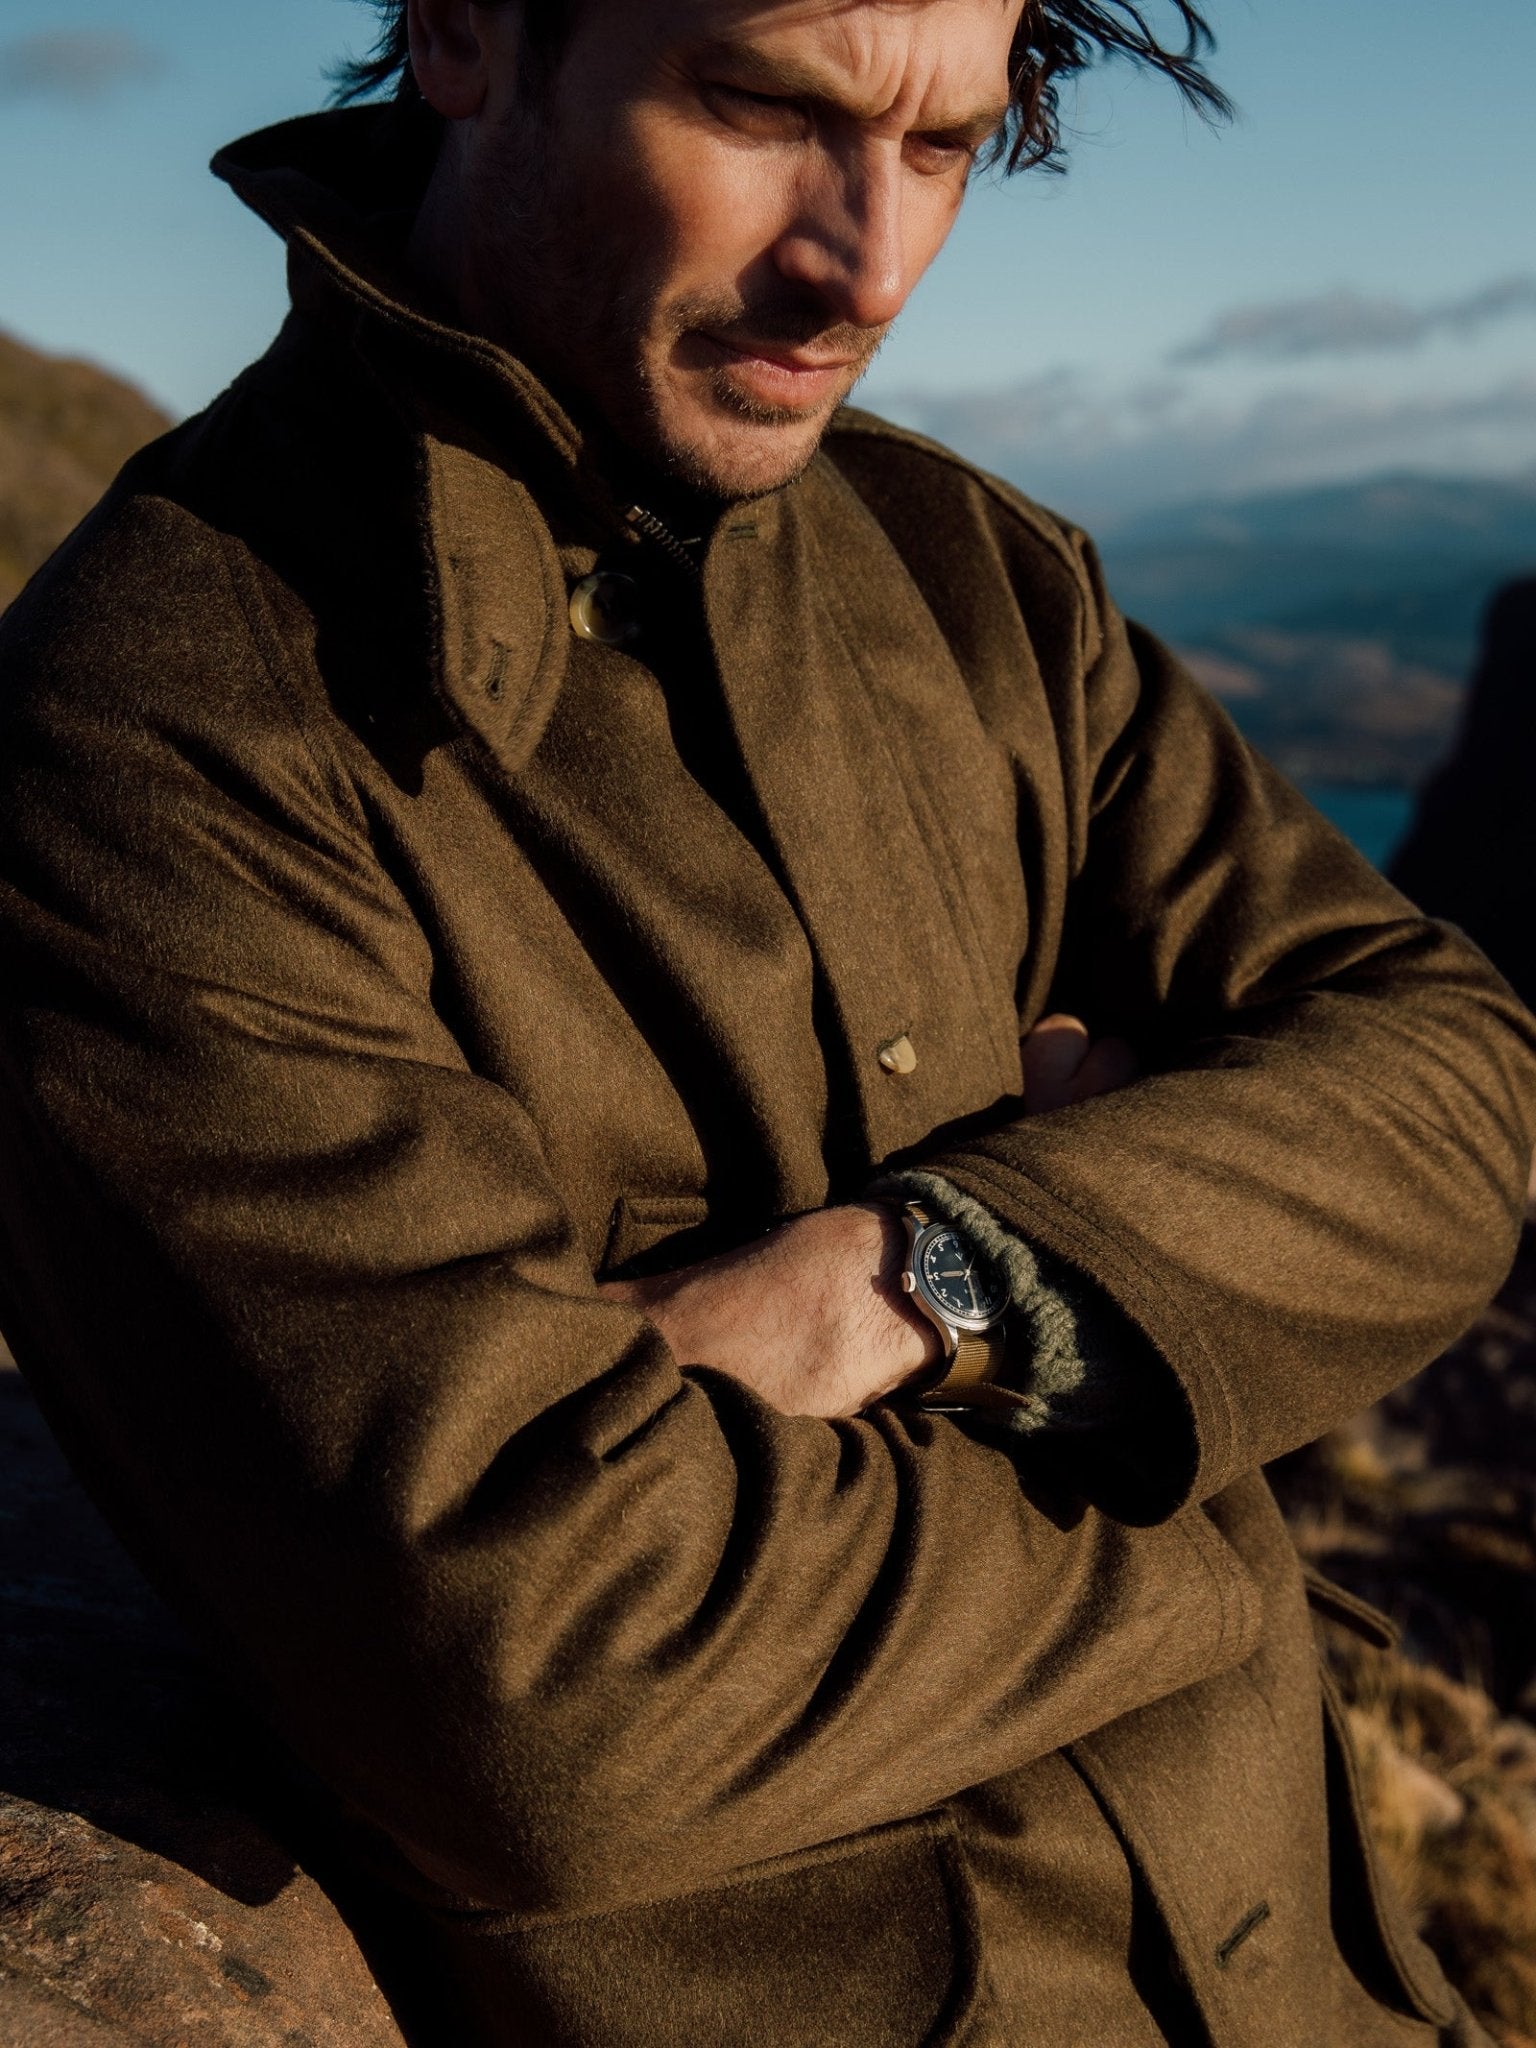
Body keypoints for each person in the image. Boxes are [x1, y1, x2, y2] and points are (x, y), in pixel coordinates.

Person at [0, 2, 1532, 2042]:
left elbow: (1457, 1072)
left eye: (944, 149)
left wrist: (924, 1281)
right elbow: (544, 1680)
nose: (869, 262)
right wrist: (1182, 1424)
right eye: (763, 107)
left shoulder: (978, 579)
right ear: (465, 30)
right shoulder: (152, 737)